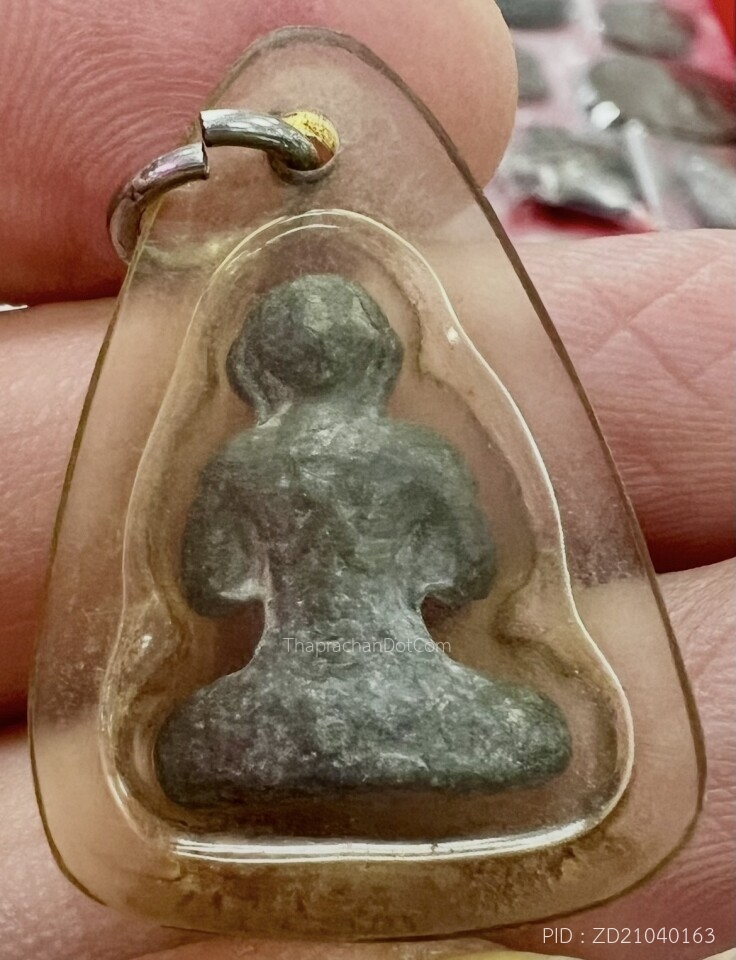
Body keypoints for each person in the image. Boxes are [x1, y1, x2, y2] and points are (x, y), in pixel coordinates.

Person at [0, 2, 732, 959]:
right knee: (534, 733)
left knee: (183, 748)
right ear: (383, 356)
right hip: (430, 692)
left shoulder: (239, 460)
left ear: (256, 364)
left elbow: (211, 587)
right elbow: (473, 575)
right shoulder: (424, 455)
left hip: (269, 702)